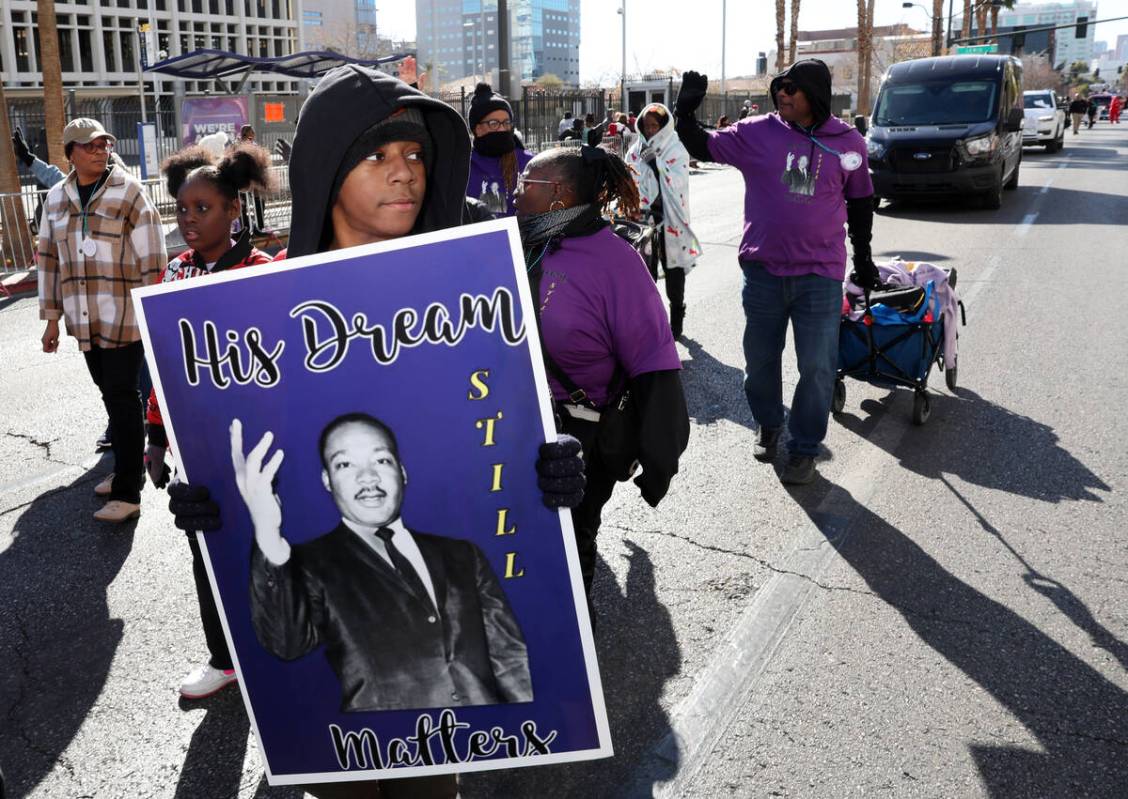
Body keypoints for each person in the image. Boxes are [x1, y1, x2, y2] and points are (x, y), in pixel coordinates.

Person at [165, 65, 584, 798]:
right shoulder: (258, 311)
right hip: (335, 733)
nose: (406, 174)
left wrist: (543, 465)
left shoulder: (469, 287)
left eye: (417, 155)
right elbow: (244, 454)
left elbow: (497, 429)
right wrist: (209, 505)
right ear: (329, 168)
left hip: (442, 736)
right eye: (379, 156)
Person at [235, 413, 533, 711]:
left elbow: (509, 656)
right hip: (389, 746)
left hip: (488, 740)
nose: (368, 478)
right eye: (345, 464)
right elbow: (286, 643)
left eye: (381, 461)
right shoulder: (309, 565)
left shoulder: (462, 554)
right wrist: (267, 533)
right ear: (327, 480)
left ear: (402, 472)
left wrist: (529, 726)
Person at [673, 60, 880, 485]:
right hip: (764, 271)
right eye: (779, 87)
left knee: (818, 367)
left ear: (815, 96)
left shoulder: (847, 142)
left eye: (792, 88)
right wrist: (685, 114)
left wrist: (864, 258)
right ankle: (769, 425)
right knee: (760, 361)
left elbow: (861, 205)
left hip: (820, 275)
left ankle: (805, 447)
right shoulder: (756, 132)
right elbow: (702, 146)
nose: (783, 94)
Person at [514, 145, 690, 598]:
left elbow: (654, 362)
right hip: (514, 426)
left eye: (525, 183)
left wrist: (658, 456)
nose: (515, 192)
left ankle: (576, 645)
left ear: (557, 194)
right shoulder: (518, 241)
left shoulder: (616, 263)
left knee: (570, 547)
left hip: (582, 439)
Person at [144, 143, 276, 699]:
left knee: (268, 550)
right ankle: (225, 659)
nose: (189, 220)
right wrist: (154, 436)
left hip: (259, 444)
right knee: (208, 555)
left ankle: (282, 655)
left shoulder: (264, 272)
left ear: (233, 212)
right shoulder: (174, 273)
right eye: (182, 209)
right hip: (194, 449)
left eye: (203, 208)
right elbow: (163, 365)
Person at [38, 118, 167, 521]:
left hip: (124, 316)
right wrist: (52, 319)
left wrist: (154, 308)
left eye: (103, 144)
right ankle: (124, 468)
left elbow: (153, 254)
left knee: (121, 397)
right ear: (71, 153)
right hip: (84, 319)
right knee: (110, 395)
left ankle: (129, 491)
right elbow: (48, 260)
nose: (99, 150)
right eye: (90, 145)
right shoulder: (57, 198)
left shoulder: (129, 191)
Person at [625, 103, 702, 338]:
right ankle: (651, 321)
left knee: (673, 272)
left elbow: (677, 181)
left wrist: (654, 163)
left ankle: (677, 314)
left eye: (654, 126)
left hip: (670, 221)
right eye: (646, 126)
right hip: (643, 222)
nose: (650, 131)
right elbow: (628, 179)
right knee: (644, 274)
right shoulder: (635, 150)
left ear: (663, 125)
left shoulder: (675, 147)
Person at [465, 82, 533, 218]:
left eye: (506, 123)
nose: (502, 129)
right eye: (494, 123)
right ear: (477, 129)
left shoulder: (529, 163)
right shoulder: (463, 166)